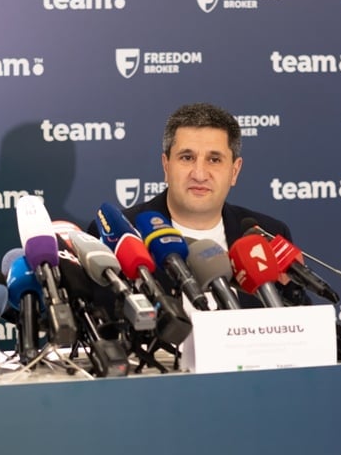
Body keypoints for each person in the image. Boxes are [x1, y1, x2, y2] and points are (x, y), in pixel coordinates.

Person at [113, 102, 310, 308]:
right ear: (166, 166)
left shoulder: (268, 234)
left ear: (234, 171)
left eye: (214, 160)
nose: (199, 174)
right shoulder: (121, 234)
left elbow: (299, 319)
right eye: (187, 157)